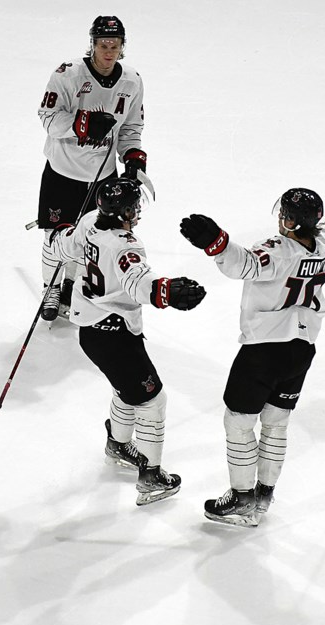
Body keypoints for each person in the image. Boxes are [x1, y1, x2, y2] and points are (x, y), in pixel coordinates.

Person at [178, 142, 325, 527]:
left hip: (263, 352)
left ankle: (241, 500)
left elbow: (243, 265)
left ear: (289, 222)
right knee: (276, 422)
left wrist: (215, 243)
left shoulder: (276, 251)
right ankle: (264, 495)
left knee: (238, 422)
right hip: (302, 350)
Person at [46, 177, 207, 505]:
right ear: (123, 212)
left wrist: (58, 230)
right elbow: (137, 282)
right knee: (152, 400)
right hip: (114, 334)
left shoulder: (90, 220)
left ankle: (118, 445)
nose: (136, 213)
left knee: (128, 390)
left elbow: (62, 245)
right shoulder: (125, 245)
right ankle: (152, 477)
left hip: (90, 331)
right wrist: (166, 292)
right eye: (133, 208)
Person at [36, 15, 149, 322]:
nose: (108, 51)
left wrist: (133, 157)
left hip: (103, 174)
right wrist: (80, 124)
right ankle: (51, 288)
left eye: (114, 45)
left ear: (122, 46)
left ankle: (74, 284)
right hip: (63, 171)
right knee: (55, 235)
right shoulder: (68, 74)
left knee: (93, 237)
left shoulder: (132, 80)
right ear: (93, 44)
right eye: (103, 45)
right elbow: (47, 116)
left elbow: (132, 128)